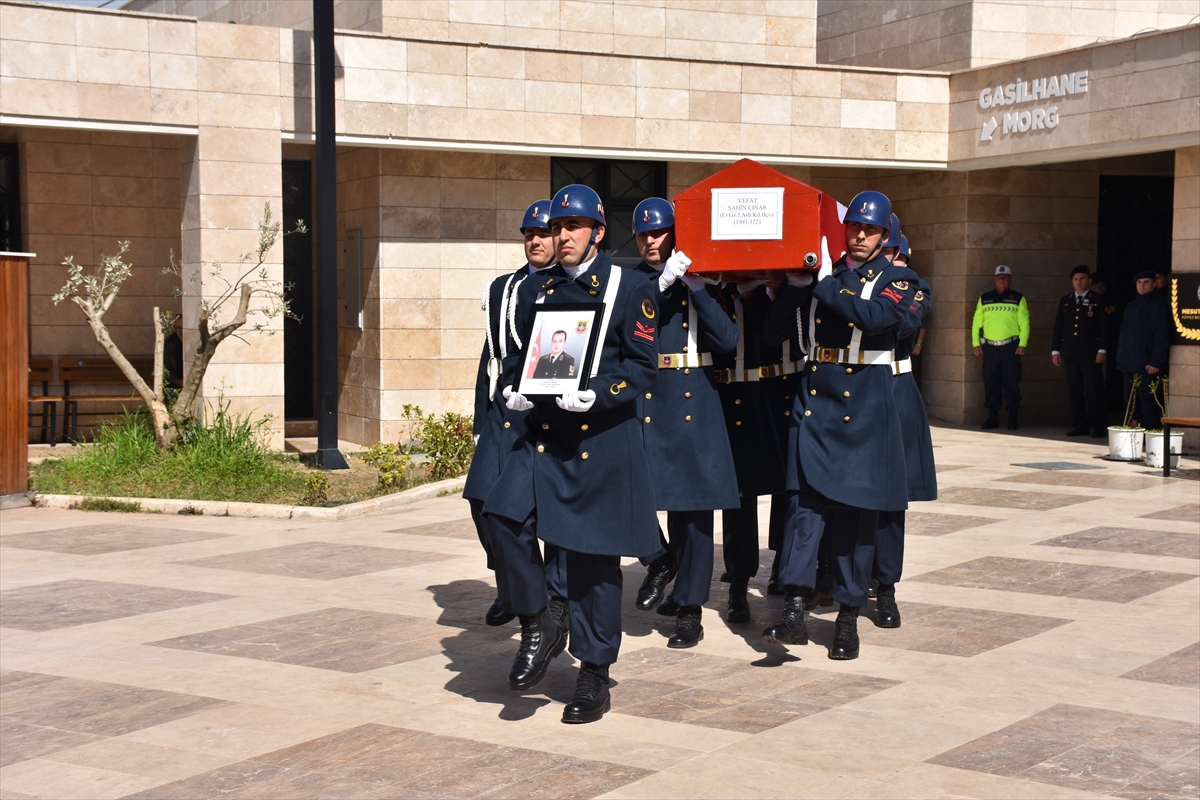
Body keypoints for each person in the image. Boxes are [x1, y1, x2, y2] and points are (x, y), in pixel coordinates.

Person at [484, 184, 660, 724]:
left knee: (592, 564)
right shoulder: (541, 291)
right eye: (556, 227)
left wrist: (599, 394)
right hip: (541, 436)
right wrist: (509, 390)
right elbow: (518, 359)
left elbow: (641, 365)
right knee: (502, 516)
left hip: (598, 442)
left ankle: (594, 673)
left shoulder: (629, 289)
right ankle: (539, 619)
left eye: (572, 228)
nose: (560, 237)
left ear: (597, 234)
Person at [760, 190, 917, 661]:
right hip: (816, 409)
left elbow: (874, 317)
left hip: (866, 414)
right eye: (855, 228)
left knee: (856, 523)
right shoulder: (820, 277)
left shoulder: (902, 282)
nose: (861, 235)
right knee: (804, 516)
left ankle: (848, 617)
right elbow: (772, 336)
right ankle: (792, 609)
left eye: (870, 230)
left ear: (884, 235)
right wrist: (793, 286)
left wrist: (826, 280)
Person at [630, 196, 740, 647]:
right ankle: (660, 559)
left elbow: (728, 341)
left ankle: (690, 608)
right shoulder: (632, 283)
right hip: (648, 400)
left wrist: (696, 287)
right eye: (643, 234)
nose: (651, 241)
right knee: (630, 495)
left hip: (694, 398)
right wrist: (659, 285)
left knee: (693, 515)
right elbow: (623, 326)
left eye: (658, 233)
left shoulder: (702, 281)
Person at [463, 201, 567, 628]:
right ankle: (513, 585)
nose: (535, 241)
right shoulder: (502, 288)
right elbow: (490, 355)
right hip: (504, 407)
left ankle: (551, 598)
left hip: (547, 408)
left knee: (548, 512)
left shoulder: (571, 286)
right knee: (481, 498)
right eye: (528, 234)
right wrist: (479, 416)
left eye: (542, 233)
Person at [712, 279, 785, 623]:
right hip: (721, 397)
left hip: (763, 394)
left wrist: (752, 294)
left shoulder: (765, 291)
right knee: (737, 496)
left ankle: (782, 567)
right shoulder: (708, 291)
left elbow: (775, 333)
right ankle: (738, 583)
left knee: (775, 484)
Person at [1052, 265, 1108, 437]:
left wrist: (1102, 349)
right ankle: (1080, 425)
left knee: (1093, 390)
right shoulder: (1066, 300)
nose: (1079, 282)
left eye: (1082, 278)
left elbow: (1104, 327)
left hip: (1091, 353)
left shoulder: (1097, 299)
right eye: (1076, 279)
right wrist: (1055, 350)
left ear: (1089, 280)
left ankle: (1098, 427)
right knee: (1075, 390)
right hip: (1070, 352)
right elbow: (1059, 327)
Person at [972, 265, 1030, 431]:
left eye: (1005, 277)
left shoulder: (1018, 298)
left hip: (1011, 347)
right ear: (994, 279)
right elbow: (976, 323)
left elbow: (1025, 323)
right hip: (990, 347)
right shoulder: (985, 298)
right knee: (991, 383)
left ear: (1010, 279)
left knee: (1012, 382)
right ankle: (993, 418)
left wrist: (1023, 343)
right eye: (999, 277)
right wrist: (975, 343)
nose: (1002, 280)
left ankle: (1013, 418)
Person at [1116, 270, 1171, 429]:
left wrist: (1155, 361)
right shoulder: (1131, 305)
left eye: (1146, 282)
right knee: (1131, 403)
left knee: (1149, 402)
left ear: (1154, 284)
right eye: (1139, 282)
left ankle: (1150, 432)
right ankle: (1134, 431)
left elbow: (1161, 335)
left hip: (1148, 365)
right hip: (1130, 363)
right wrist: (1122, 361)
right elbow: (1124, 335)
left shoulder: (1158, 305)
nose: (1142, 285)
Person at [163, 315, 184, 390]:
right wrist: (176, 381)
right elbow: (165, 367)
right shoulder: (170, 342)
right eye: (178, 328)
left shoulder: (196, 341)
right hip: (173, 386)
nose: (181, 331)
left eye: (183, 328)